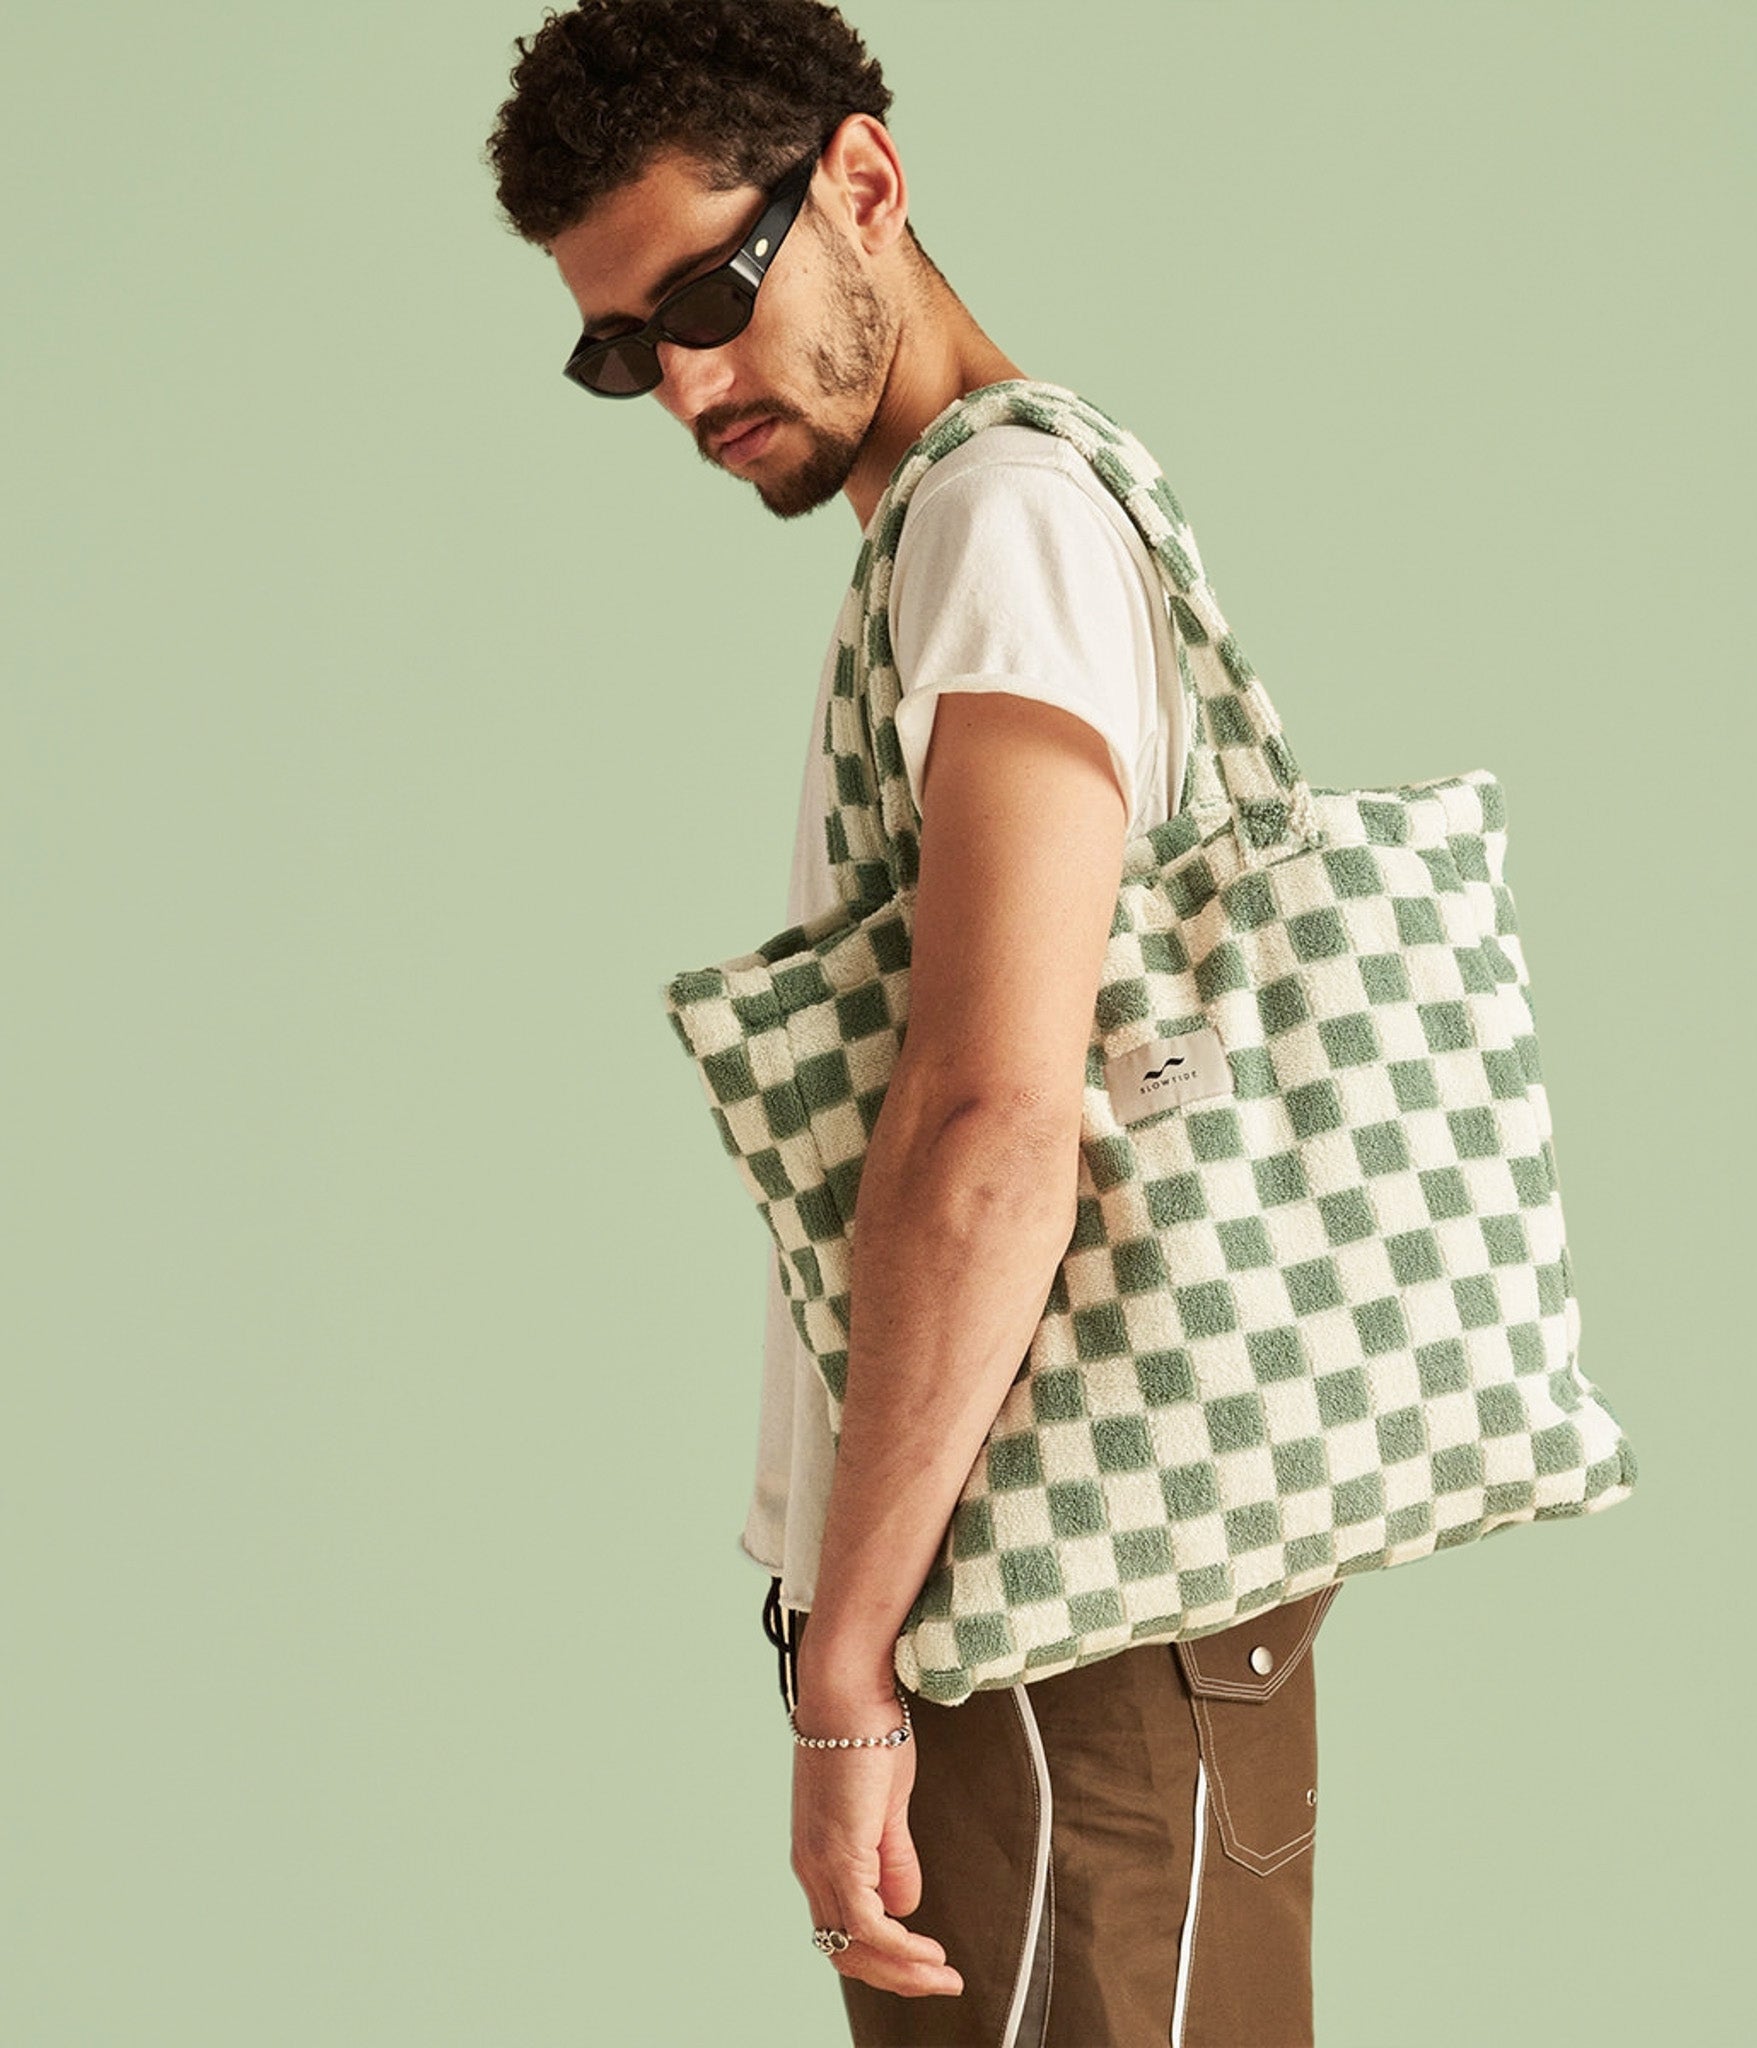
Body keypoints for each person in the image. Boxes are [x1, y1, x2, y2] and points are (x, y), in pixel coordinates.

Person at [485, 5, 1334, 2040]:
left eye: (708, 290)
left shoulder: (1001, 528)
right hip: (1044, 1623)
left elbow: (989, 1117)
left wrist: (846, 1668)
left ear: (863, 185)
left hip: (1056, 1626)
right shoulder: (958, 534)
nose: (683, 379)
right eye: (622, 342)